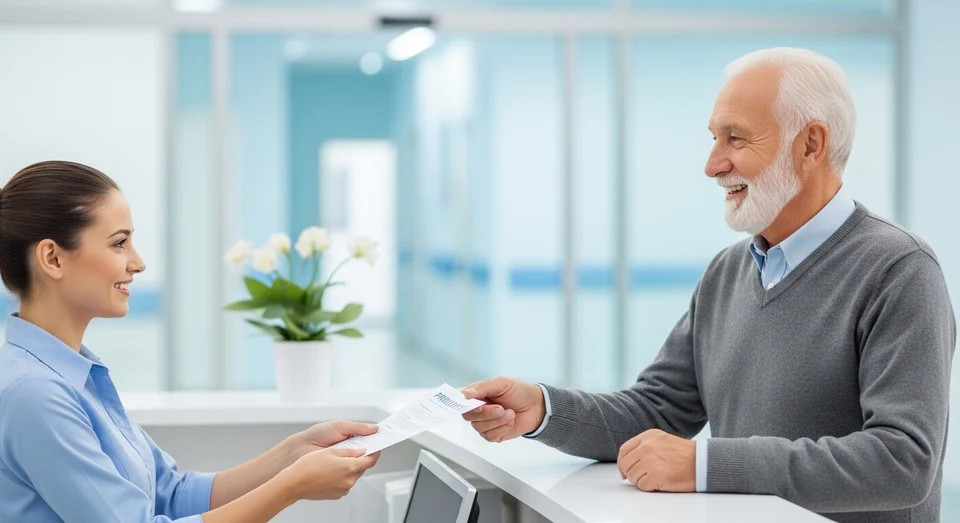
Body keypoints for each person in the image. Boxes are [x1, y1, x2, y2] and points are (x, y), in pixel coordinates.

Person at [461, 47, 956, 523]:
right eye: (715, 138)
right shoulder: (728, 271)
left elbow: (903, 460)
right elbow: (657, 409)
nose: (713, 164)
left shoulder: (899, 270)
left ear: (811, 144)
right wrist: (543, 409)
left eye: (735, 139)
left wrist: (706, 465)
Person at [0, 160, 381, 523]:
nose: (138, 262)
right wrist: (292, 486)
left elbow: (172, 494)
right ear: (52, 258)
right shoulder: (34, 394)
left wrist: (291, 455)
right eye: (119, 243)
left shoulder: (75, 375)